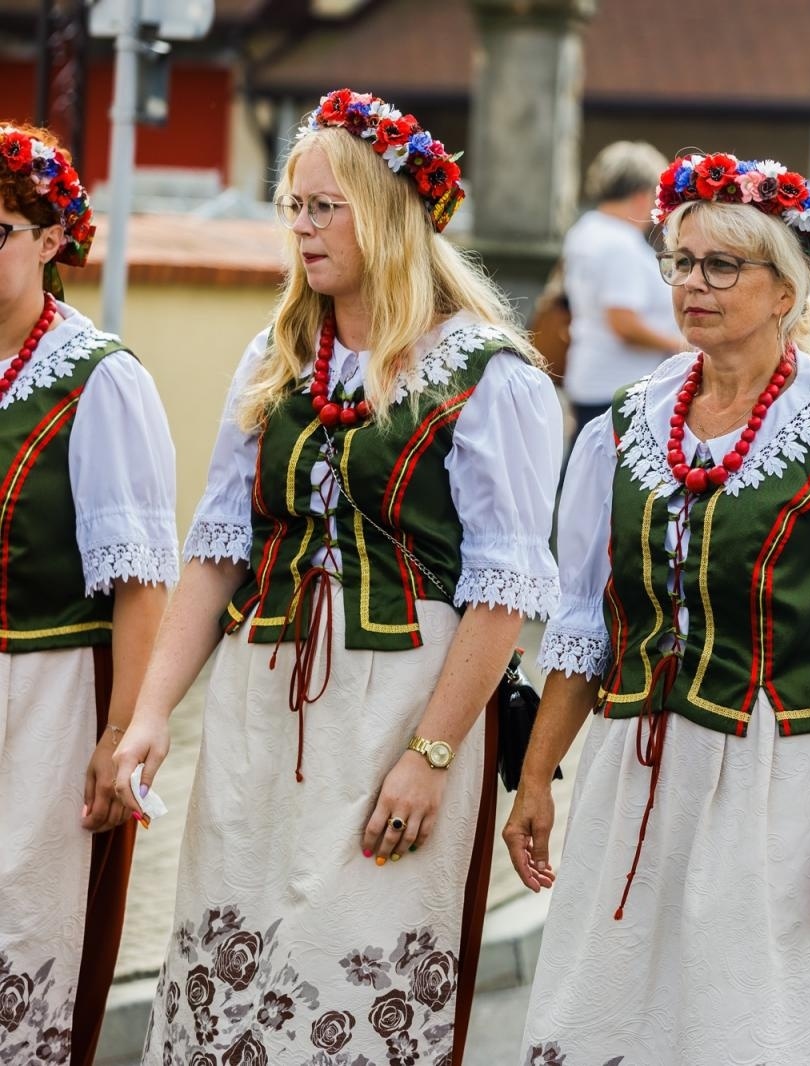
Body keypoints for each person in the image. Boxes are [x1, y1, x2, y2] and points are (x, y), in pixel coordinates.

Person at [111, 89, 562, 1063]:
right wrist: (151, 714)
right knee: (224, 964)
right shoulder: (278, 356)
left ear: (389, 215)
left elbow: (503, 594)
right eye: (295, 206)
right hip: (256, 701)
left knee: (353, 966)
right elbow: (217, 553)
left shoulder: (487, 376)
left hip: (397, 703)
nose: (304, 228)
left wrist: (433, 754)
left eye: (327, 206)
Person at [506, 151, 810, 1065]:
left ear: (785, 290)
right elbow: (586, 630)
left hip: (775, 777)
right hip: (634, 767)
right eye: (680, 261)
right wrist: (541, 775)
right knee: (602, 1002)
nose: (693, 285)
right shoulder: (621, 429)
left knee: (743, 1017)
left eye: (721, 266)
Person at [0, 122, 176, 1066]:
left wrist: (120, 738)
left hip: (44, 695)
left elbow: (143, 583)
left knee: (23, 931)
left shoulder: (98, 380)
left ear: (53, 239)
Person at [562, 140, 685, 440]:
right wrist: (678, 345)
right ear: (642, 195)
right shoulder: (620, 245)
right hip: (618, 384)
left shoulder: (586, 230)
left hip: (591, 374)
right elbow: (623, 322)